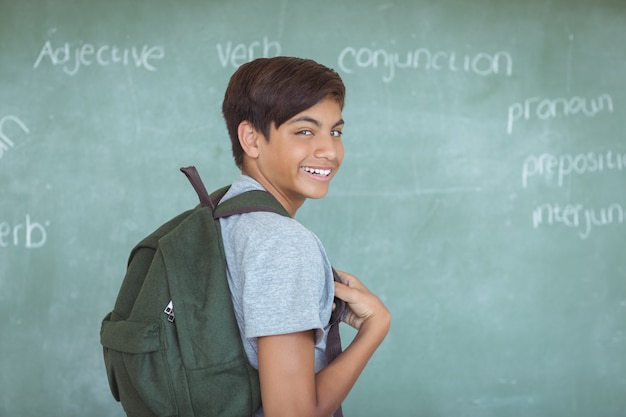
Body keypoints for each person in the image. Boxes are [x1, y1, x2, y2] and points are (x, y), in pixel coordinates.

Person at [219, 56, 391, 417]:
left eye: (336, 131)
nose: (330, 150)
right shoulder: (283, 242)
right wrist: (375, 328)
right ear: (251, 138)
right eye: (305, 131)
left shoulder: (226, 213)